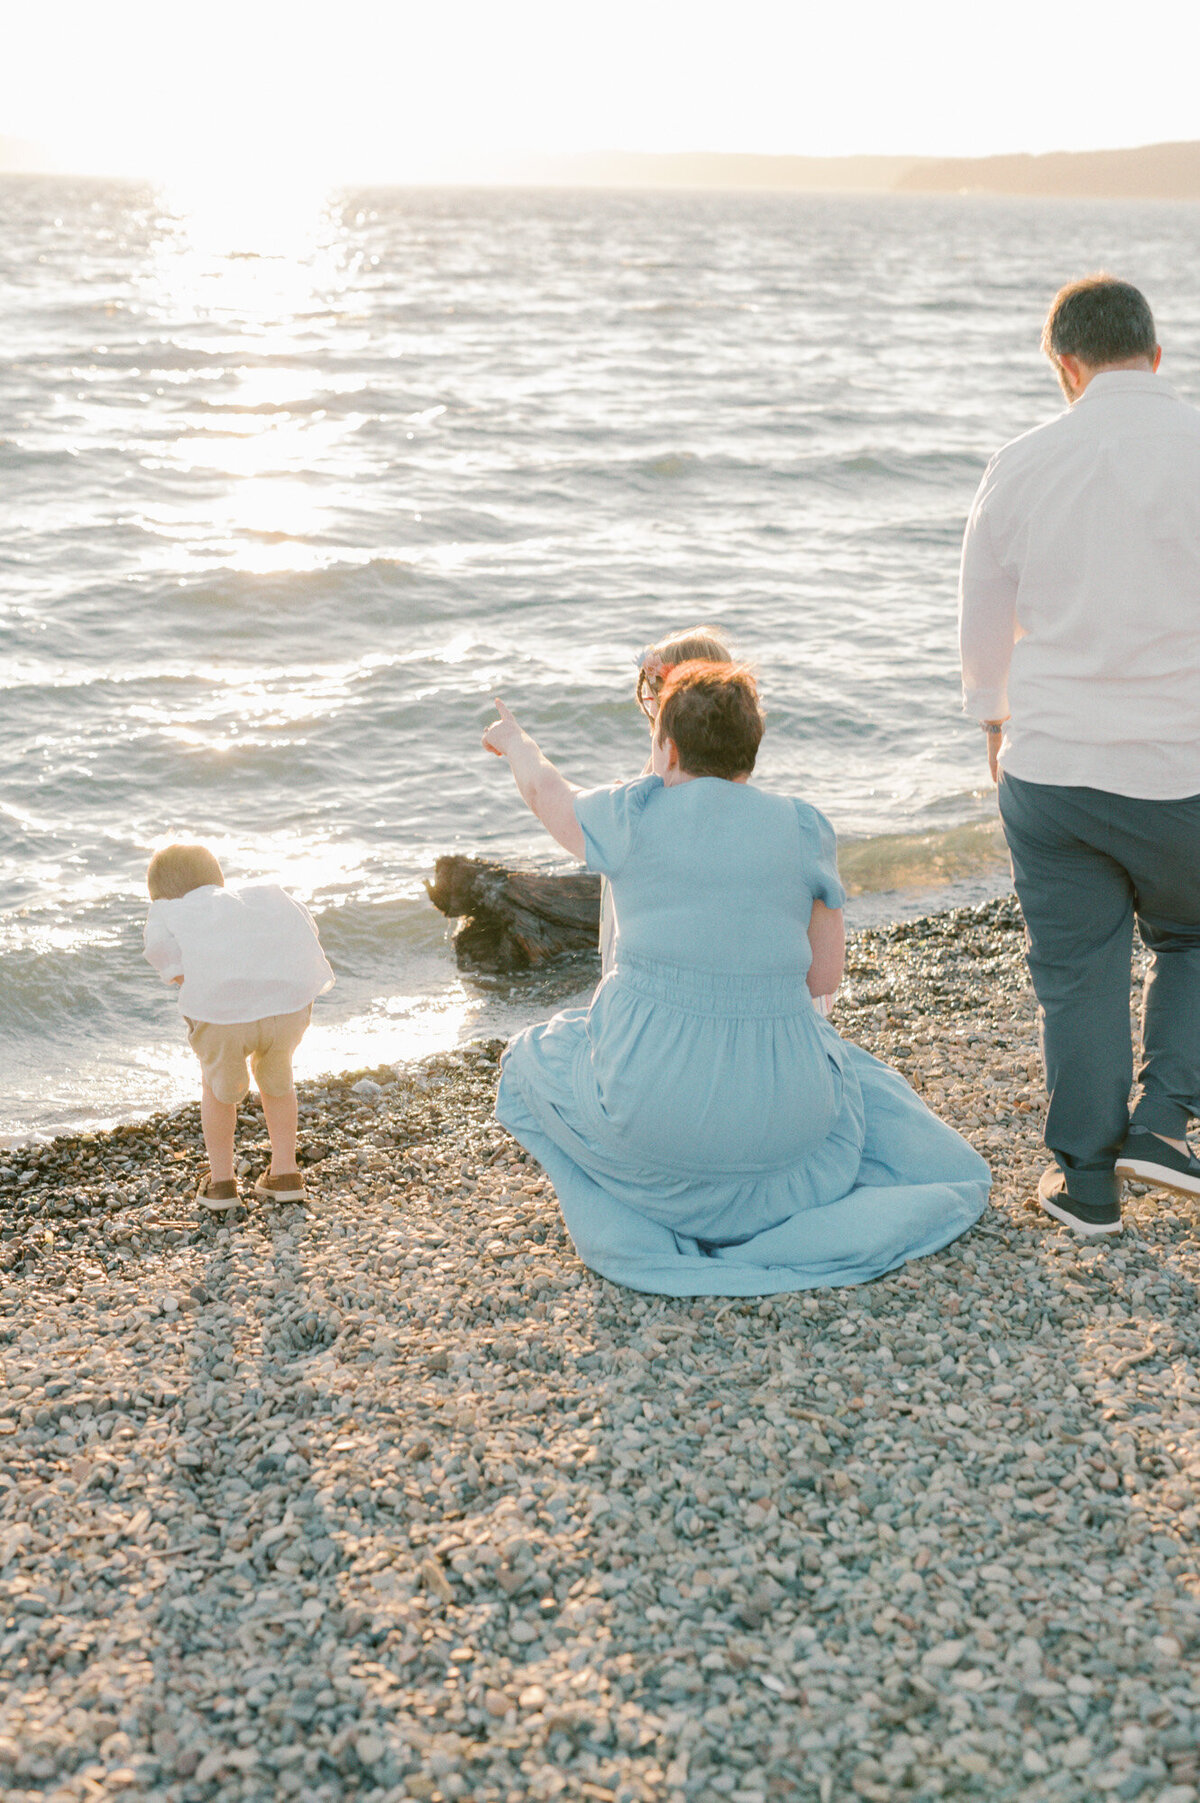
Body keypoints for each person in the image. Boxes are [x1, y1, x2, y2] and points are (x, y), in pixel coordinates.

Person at [482, 664, 989, 1296]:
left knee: (534, 1058)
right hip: (790, 1144)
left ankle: (653, 1210)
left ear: (666, 748)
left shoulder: (632, 812)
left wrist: (516, 741)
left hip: (650, 1129)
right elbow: (823, 977)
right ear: (750, 750)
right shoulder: (804, 826)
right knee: (849, 1073)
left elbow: (546, 794)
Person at [960, 274, 1200, 1238]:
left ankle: (1089, 1187)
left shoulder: (1021, 463)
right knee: (1194, 938)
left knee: (1078, 969)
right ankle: (1165, 1123)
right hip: (1185, 767)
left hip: (1053, 769)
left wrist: (993, 724)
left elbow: (984, 618)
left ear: (1065, 364)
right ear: (1156, 352)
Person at [143, 844, 334, 1211]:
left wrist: (196, 979)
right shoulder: (258, 897)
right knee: (278, 1082)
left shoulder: (169, 909)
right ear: (217, 879)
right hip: (286, 1007)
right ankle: (285, 1173)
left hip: (222, 1018)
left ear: (161, 895)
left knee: (218, 1089)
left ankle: (222, 1183)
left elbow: (163, 958)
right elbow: (303, 926)